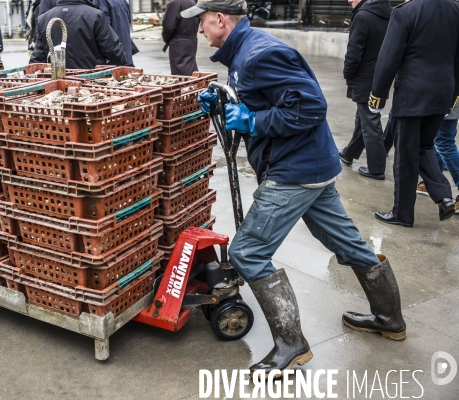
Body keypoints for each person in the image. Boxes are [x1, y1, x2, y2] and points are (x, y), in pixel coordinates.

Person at [182, 0, 406, 375]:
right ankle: (390, 319)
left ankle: (292, 345)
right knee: (347, 244)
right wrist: (223, 104)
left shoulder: (260, 54)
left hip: (295, 171)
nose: (200, 29)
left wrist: (252, 121)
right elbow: (269, 99)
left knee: (247, 251)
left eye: (202, 21)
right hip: (312, 165)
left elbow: (310, 107)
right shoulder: (245, 52)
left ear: (220, 19)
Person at [368, 0, 459, 227]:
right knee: (423, 147)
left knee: (405, 157)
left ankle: (402, 214)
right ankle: (444, 196)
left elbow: (389, 57)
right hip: (442, 91)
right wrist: (455, 93)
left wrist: (377, 95)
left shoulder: (405, 11)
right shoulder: (455, 9)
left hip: (412, 94)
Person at [338, 0, 390, 180]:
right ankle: (349, 153)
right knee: (364, 117)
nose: (349, 0)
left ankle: (377, 168)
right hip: (380, 75)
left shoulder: (362, 17)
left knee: (370, 122)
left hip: (364, 77)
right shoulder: (388, 13)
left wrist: (347, 73)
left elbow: (354, 53)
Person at [29, 0, 126, 69]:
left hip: (57, 85)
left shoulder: (43, 19)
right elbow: (116, 54)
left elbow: (37, 59)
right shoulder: (95, 16)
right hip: (91, 82)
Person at [162, 0, 199, 76]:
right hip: (192, 39)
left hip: (178, 41)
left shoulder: (174, 3)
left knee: (180, 73)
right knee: (190, 68)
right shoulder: (192, 2)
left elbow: (168, 26)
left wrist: (166, 38)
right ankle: (194, 86)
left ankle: (185, 87)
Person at [106, 0, 135, 66]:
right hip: (124, 54)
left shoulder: (99, 2)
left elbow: (102, 31)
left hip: (111, 60)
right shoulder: (122, 1)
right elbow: (128, 22)